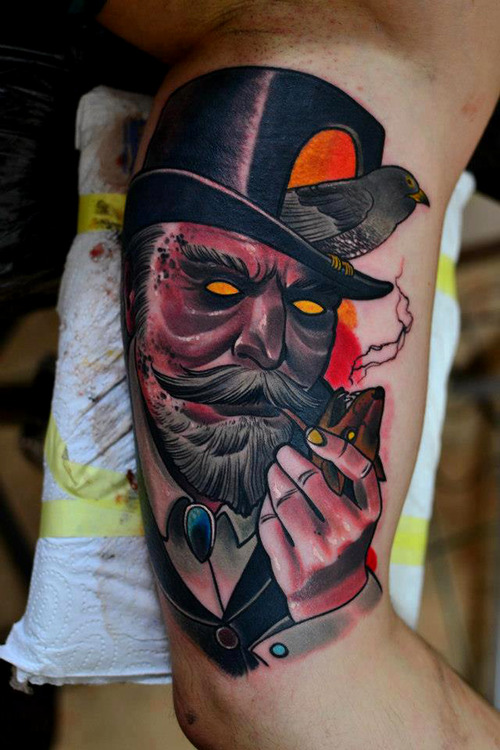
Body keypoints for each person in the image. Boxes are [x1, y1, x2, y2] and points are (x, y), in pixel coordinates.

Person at [102, 1, 500, 747]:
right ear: (133, 297)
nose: (267, 344)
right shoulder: (373, 42)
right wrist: (325, 616)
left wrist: (327, 596)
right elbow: (266, 706)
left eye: (312, 303)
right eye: (220, 286)